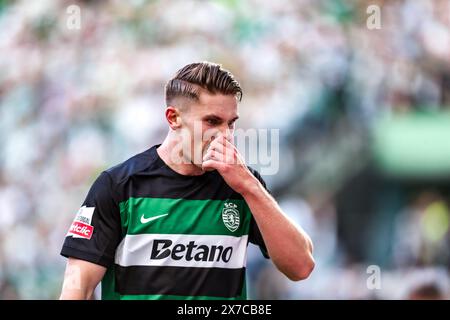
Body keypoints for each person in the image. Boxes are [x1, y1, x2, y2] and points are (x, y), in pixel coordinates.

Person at [59, 61, 315, 300]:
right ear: (173, 118)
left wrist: (249, 186)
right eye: (212, 121)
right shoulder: (120, 186)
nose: (224, 135)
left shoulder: (242, 185)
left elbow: (301, 266)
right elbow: (78, 284)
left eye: (231, 124)